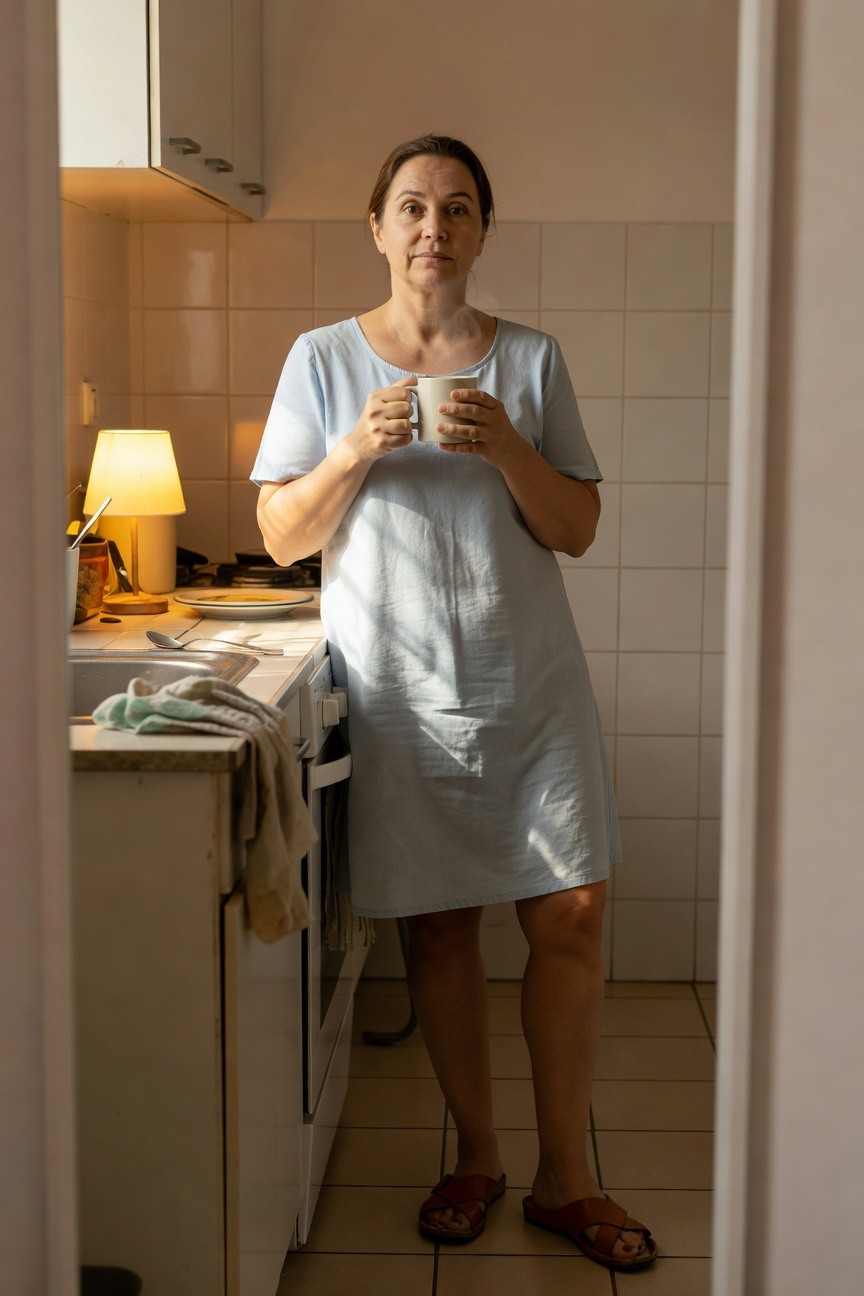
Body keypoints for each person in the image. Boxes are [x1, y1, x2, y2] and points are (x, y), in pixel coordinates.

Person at [252, 134, 657, 1272]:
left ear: (483, 233)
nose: (436, 228)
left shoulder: (529, 362)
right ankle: (477, 1154)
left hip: (529, 689)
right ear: (378, 228)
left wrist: (510, 447)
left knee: (570, 912)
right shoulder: (322, 359)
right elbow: (283, 536)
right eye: (414, 208)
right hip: (396, 693)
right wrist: (352, 455)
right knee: (437, 923)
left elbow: (574, 528)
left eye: (460, 209)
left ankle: (565, 1176)